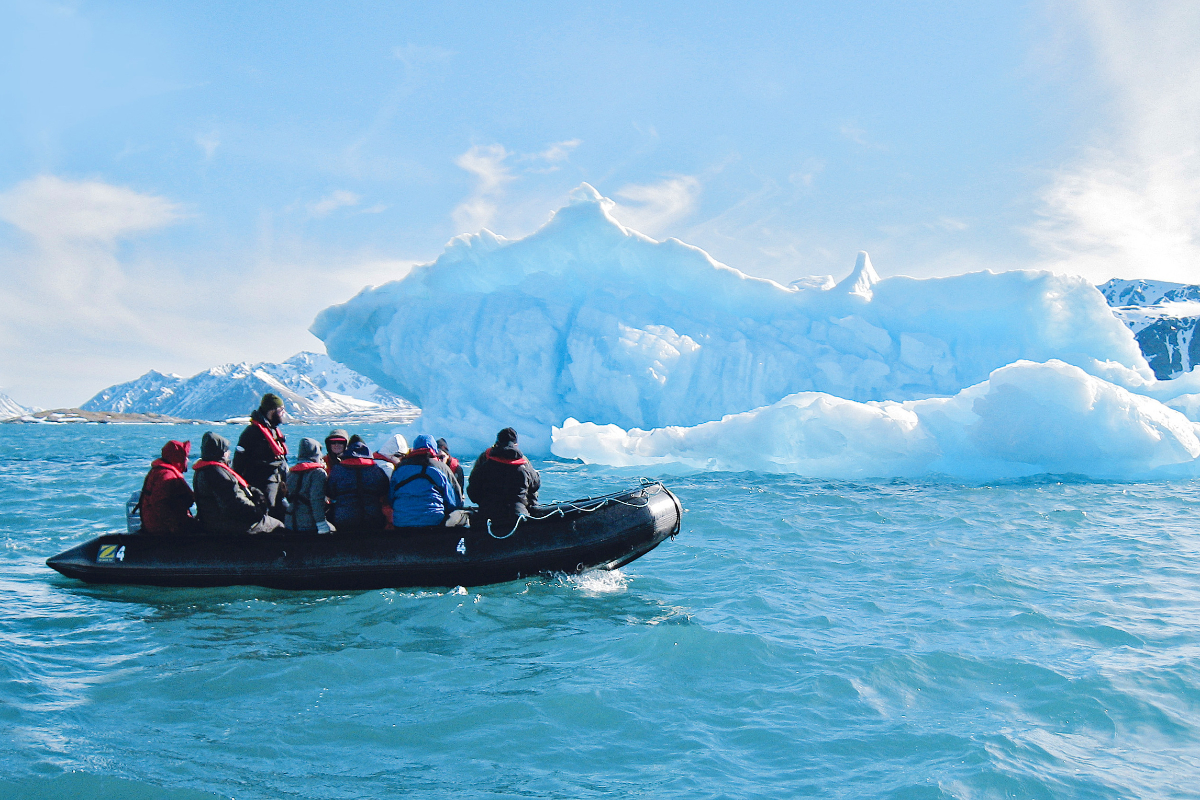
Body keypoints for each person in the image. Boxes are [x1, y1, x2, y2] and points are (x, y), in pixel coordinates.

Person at [193, 431, 283, 534]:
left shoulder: (203, 470)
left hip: (212, 520)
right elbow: (234, 504)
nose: (229, 453)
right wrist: (257, 512)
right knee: (278, 525)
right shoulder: (217, 473)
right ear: (221, 452)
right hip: (227, 524)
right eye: (226, 450)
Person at [467, 427, 540, 532]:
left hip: (488, 515)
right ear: (516, 444)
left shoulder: (485, 465)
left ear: (497, 443)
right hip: (517, 515)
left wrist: (484, 503)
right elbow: (535, 485)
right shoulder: (524, 464)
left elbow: (473, 491)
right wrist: (530, 506)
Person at [390, 434, 469, 528]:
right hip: (433, 523)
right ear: (434, 449)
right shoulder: (441, 468)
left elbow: (391, 497)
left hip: (401, 523)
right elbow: (454, 502)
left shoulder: (399, 468)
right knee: (463, 516)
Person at [233, 393, 289, 519]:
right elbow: (238, 463)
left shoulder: (273, 430)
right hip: (262, 484)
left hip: (277, 482)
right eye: (281, 410)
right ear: (272, 411)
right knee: (268, 514)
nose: (283, 413)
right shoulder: (251, 433)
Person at [325, 441, 390, 533]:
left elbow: (330, 492)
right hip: (373, 516)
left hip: (345, 517)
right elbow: (384, 490)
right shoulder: (376, 469)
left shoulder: (338, 469)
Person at [138, 440, 196, 534]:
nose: (187, 460)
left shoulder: (159, 471)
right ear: (177, 457)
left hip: (155, 524)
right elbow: (159, 503)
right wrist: (174, 527)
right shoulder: (166, 475)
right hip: (161, 528)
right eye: (185, 457)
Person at [285, 438, 332, 534]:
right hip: (308, 523)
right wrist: (321, 524)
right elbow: (316, 500)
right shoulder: (318, 473)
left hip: (290, 522)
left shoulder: (291, 473)